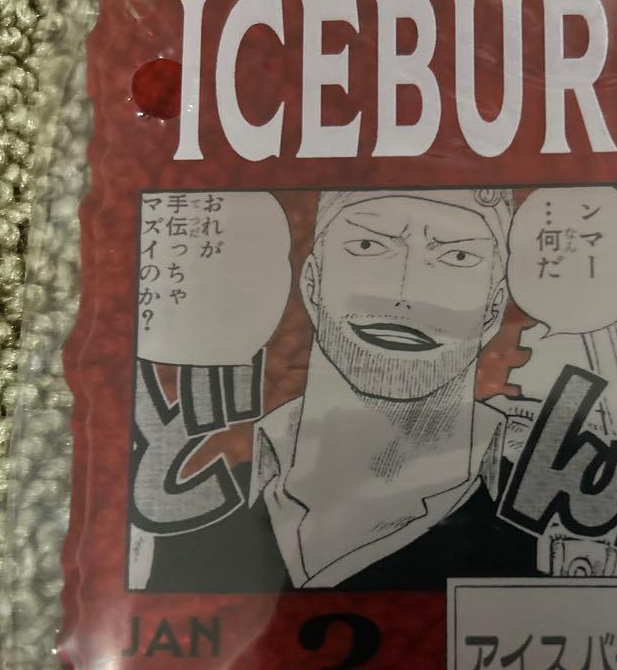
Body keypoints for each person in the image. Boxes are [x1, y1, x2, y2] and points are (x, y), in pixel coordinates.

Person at [145, 188, 539, 592]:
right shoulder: (194, 505)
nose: (404, 295)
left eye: (457, 257)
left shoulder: (543, 523)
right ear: (313, 283)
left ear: (494, 308)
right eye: (368, 246)